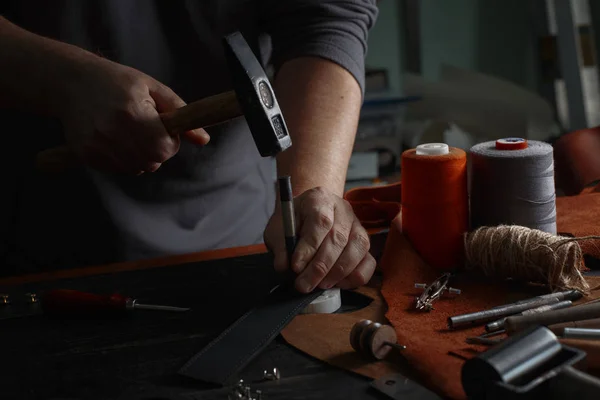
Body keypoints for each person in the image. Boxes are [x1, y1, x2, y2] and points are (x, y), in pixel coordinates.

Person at [0, 1, 378, 293]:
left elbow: (327, 19)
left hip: (237, 252)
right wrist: (61, 78)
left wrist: (315, 191)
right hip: (34, 250)